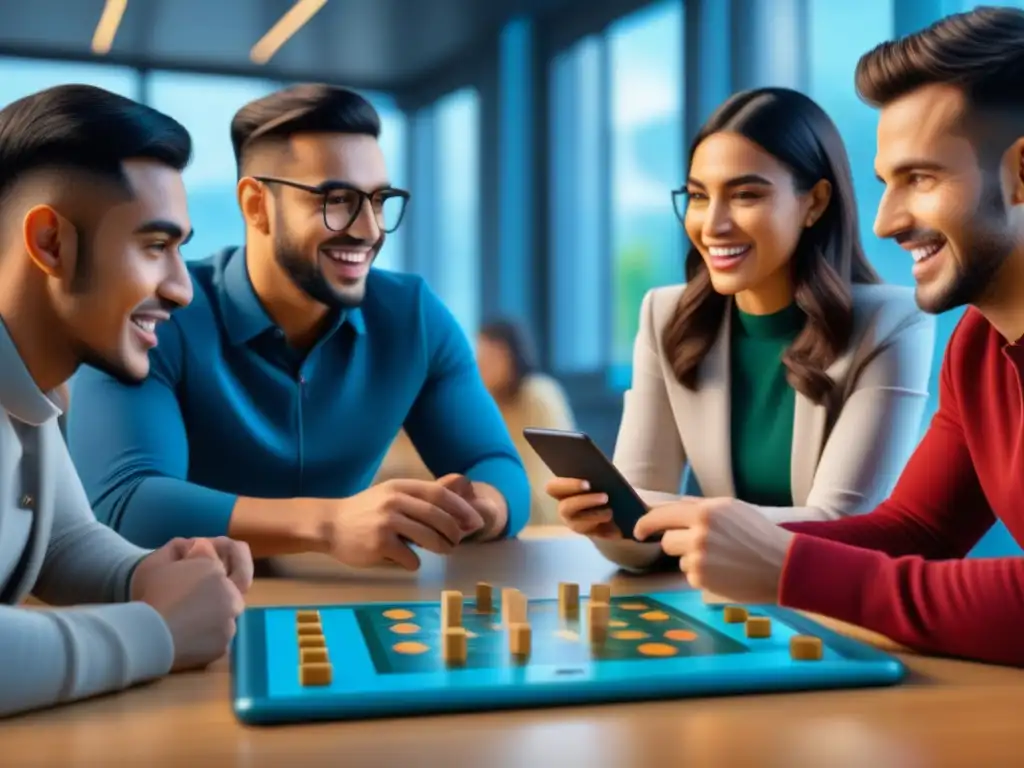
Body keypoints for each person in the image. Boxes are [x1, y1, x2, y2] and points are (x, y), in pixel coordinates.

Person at [622, 6, 1024, 667]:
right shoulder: (977, 346)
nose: (887, 220)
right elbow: (919, 529)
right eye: (885, 183)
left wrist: (791, 567)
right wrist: (731, 537)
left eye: (921, 179)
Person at [66, 84, 531, 571]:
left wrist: (480, 508)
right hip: (182, 604)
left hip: (344, 601)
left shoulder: (412, 316)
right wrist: (328, 525)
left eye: (378, 200)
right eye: (337, 200)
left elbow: (499, 468)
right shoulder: (160, 313)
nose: (370, 229)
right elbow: (124, 505)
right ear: (255, 205)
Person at [548, 86, 935, 570]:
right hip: (727, 600)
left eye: (746, 195)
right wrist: (607, 523)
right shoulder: (665, 317)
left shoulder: (892, 323)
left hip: (839, 602)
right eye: (697, 196)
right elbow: (638, 532)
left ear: (814, 203)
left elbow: (840, 526)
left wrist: (672, 513)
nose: (713, 225)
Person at [0, 84, 253, 718]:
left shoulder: (31, 384)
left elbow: (59, 538)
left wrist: (149, 574)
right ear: (51, 244)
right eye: (154, 246)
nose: (181, 289)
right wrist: (156, 633)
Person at [377, 318, 576, 525]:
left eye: (491, 356)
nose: (482, 364)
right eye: (480, 355)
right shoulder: (480, 401)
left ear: (512, 355)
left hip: (540, 512)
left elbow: (544, 475)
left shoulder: (537, 393)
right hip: (500, 508)